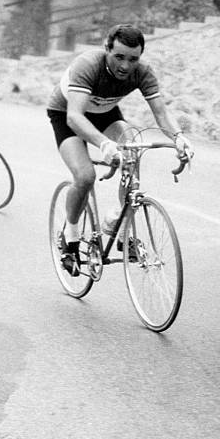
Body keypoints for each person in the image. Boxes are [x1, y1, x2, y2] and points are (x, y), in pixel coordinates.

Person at [47, 23, 193, 276]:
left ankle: (121, 224)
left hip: (105, 114)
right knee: (85, 177)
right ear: (107, 49)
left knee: (131, 148)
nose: (125, 66)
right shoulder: (88, 65)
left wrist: (179, 138)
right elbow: (74, 117)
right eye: (119, 57)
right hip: (68, 115)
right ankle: (69, 237)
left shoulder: (143, 72)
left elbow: (161, 113)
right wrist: (104, 144)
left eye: (133, 59)